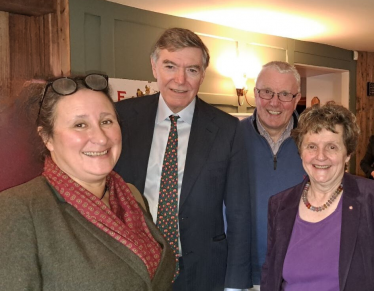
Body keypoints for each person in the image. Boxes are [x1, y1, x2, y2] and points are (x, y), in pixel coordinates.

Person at [0, 74, 175, 290]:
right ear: (47, 137)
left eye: (106, 121)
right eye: (80, 124)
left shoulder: (130, 197)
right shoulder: (17, 210)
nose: (101, 138)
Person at [114, 28, 251, 291]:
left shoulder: (227, 129)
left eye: (192, 69)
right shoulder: (121, 118)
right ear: (154, 67)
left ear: (202, 75)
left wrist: (235, 283)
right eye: (170, 66)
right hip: (133, 264)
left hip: (202, 270)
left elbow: (239, 211)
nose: (180, 79)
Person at [261, 104, 374, 291]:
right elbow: (270, 273)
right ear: (301, 152)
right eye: (312, 146)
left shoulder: (369, 200)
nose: (320, 157)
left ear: (348, 154)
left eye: (331, 146)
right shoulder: (280, 204)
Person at [241, 61, 306, 286]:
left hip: (298, 272)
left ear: (297, 99)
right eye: (267, 92)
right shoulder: (230, 138)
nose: (274, 102)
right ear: (255, 93)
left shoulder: (313, 144)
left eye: (285, 94)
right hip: (243, 272)